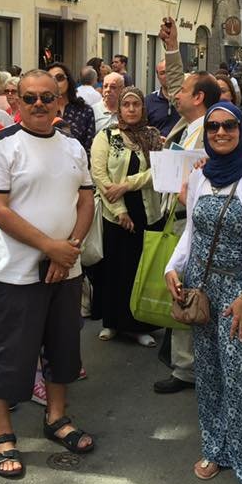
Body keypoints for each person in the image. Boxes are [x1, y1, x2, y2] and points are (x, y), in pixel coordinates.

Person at [165, 101, 242, 484]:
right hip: (201, 287)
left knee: (238, 377)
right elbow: (192, 231)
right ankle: (217, 449)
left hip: (241, 292)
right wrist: (173, 267)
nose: (220, 133)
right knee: (209, 372)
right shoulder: (201, 175)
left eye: (229, 126)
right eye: (213, 126)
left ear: (241, 130)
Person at [0, 69, 96, 478]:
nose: (40, 104)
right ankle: (2, 431)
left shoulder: (73, 146)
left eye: (48, 96)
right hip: (16, 272)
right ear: (16, 101)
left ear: (59, 99)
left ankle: (56, 417)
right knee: (9, 353)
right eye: (30, 98)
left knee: (63, 347)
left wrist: (70, 248)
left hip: (66, 268)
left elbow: (86, 201)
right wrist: (50, 247)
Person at [153, 19, 222, 395]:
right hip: (177, 214)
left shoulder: (213, 127)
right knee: (181, 284)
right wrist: (172, 46)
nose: (174, 93)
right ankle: (188, 362)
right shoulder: (189, 120)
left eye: (183, 91)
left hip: (193, 218)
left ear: (199, 98)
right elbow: (178, 81)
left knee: (187, 286)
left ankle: (188, 369)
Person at [90, 87, 163, 348]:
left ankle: (137, 325)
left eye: (136, 104)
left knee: (139, 270)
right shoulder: (108, 136)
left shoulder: (152, 137)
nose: (131, 109)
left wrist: (127, 184)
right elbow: (100, 174)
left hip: (146, 212)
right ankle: (112, 322)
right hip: (114, 213)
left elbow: (158, 171)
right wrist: (120, 210)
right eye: (126, 105)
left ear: (143, 108)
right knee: (113, 270)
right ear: (119, 109)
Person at [48, 63, 96, 153]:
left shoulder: (85, 110)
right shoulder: (43, 110)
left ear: (68, 80)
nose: (56, 83)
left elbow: (89, 146)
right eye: (51, 80)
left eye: (59, 78)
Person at [145, 59, 181, 135]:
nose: (167, 76)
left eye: (169, 72)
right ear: (158, 77)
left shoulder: (186, 99)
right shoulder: (149, 101)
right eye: (162, 73)